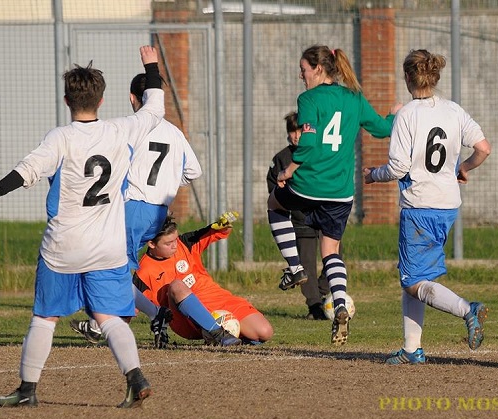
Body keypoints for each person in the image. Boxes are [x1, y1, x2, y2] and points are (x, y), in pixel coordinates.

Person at [0, 46, 164, 408]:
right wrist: (151, 66)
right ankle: (136, 378)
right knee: (108, 317)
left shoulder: (60, 137)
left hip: (63, 248)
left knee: (45, 317)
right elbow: (154, 108)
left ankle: (27, 391)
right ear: (101, 100)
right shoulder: (121, 130)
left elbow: (26, 171)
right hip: (108, 248)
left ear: (66, 100)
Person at [363, 49, 491, 365]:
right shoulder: (453, 110)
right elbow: (483, 148)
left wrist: (373, 175)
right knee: (414, 275)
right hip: (447, 207)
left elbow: (398, 167)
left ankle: (467, 310)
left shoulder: (407, 115)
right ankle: (411, 349)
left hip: (420, 206)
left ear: (408, 77)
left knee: (412, 282)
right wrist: (464, 167)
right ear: (434, 77)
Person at [267, 44, 402, 345]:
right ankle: (340, 304)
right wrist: (394, 116)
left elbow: (309, 141)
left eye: (303, 69)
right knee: (331, 250)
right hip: (340, 192)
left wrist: (289, 170)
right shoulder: (354, 97)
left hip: (309, 185)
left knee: (275, 203)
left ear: (318, 69)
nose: (301, 75)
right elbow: (381, 129)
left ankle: (296, 267)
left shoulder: (309, 99)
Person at [70, 73, 202, 348]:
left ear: (133, 98)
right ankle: (130, 317)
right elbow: (193, 171)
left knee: (108, 265)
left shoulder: (134, 128)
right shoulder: (174, 132)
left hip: (133, 207)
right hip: (158, 213)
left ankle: (111, 321)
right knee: (112, 265)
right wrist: (167, 182)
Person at [134, 213, 274, 346]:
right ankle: (217, 334)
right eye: (168, 243)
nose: (175, 245)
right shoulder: (144, 272)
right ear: (151, 244)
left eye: (175, 239)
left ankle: (223, 338)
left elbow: (213, 232)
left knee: (264, 332)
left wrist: (224, 226)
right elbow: (129, 303)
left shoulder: (185, 243)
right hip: (186, 320)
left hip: (217, 299)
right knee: (177, 285)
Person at [267, 111, 329, 320]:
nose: (296, 136)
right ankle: (314, 306)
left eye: (299, 131)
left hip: (323, 216)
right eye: (292, 132)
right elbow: (273, 188)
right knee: (306, 265)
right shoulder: (282, 158)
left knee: (334, 258)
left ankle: (321, 293)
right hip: (300, 222)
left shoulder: (319, 153)